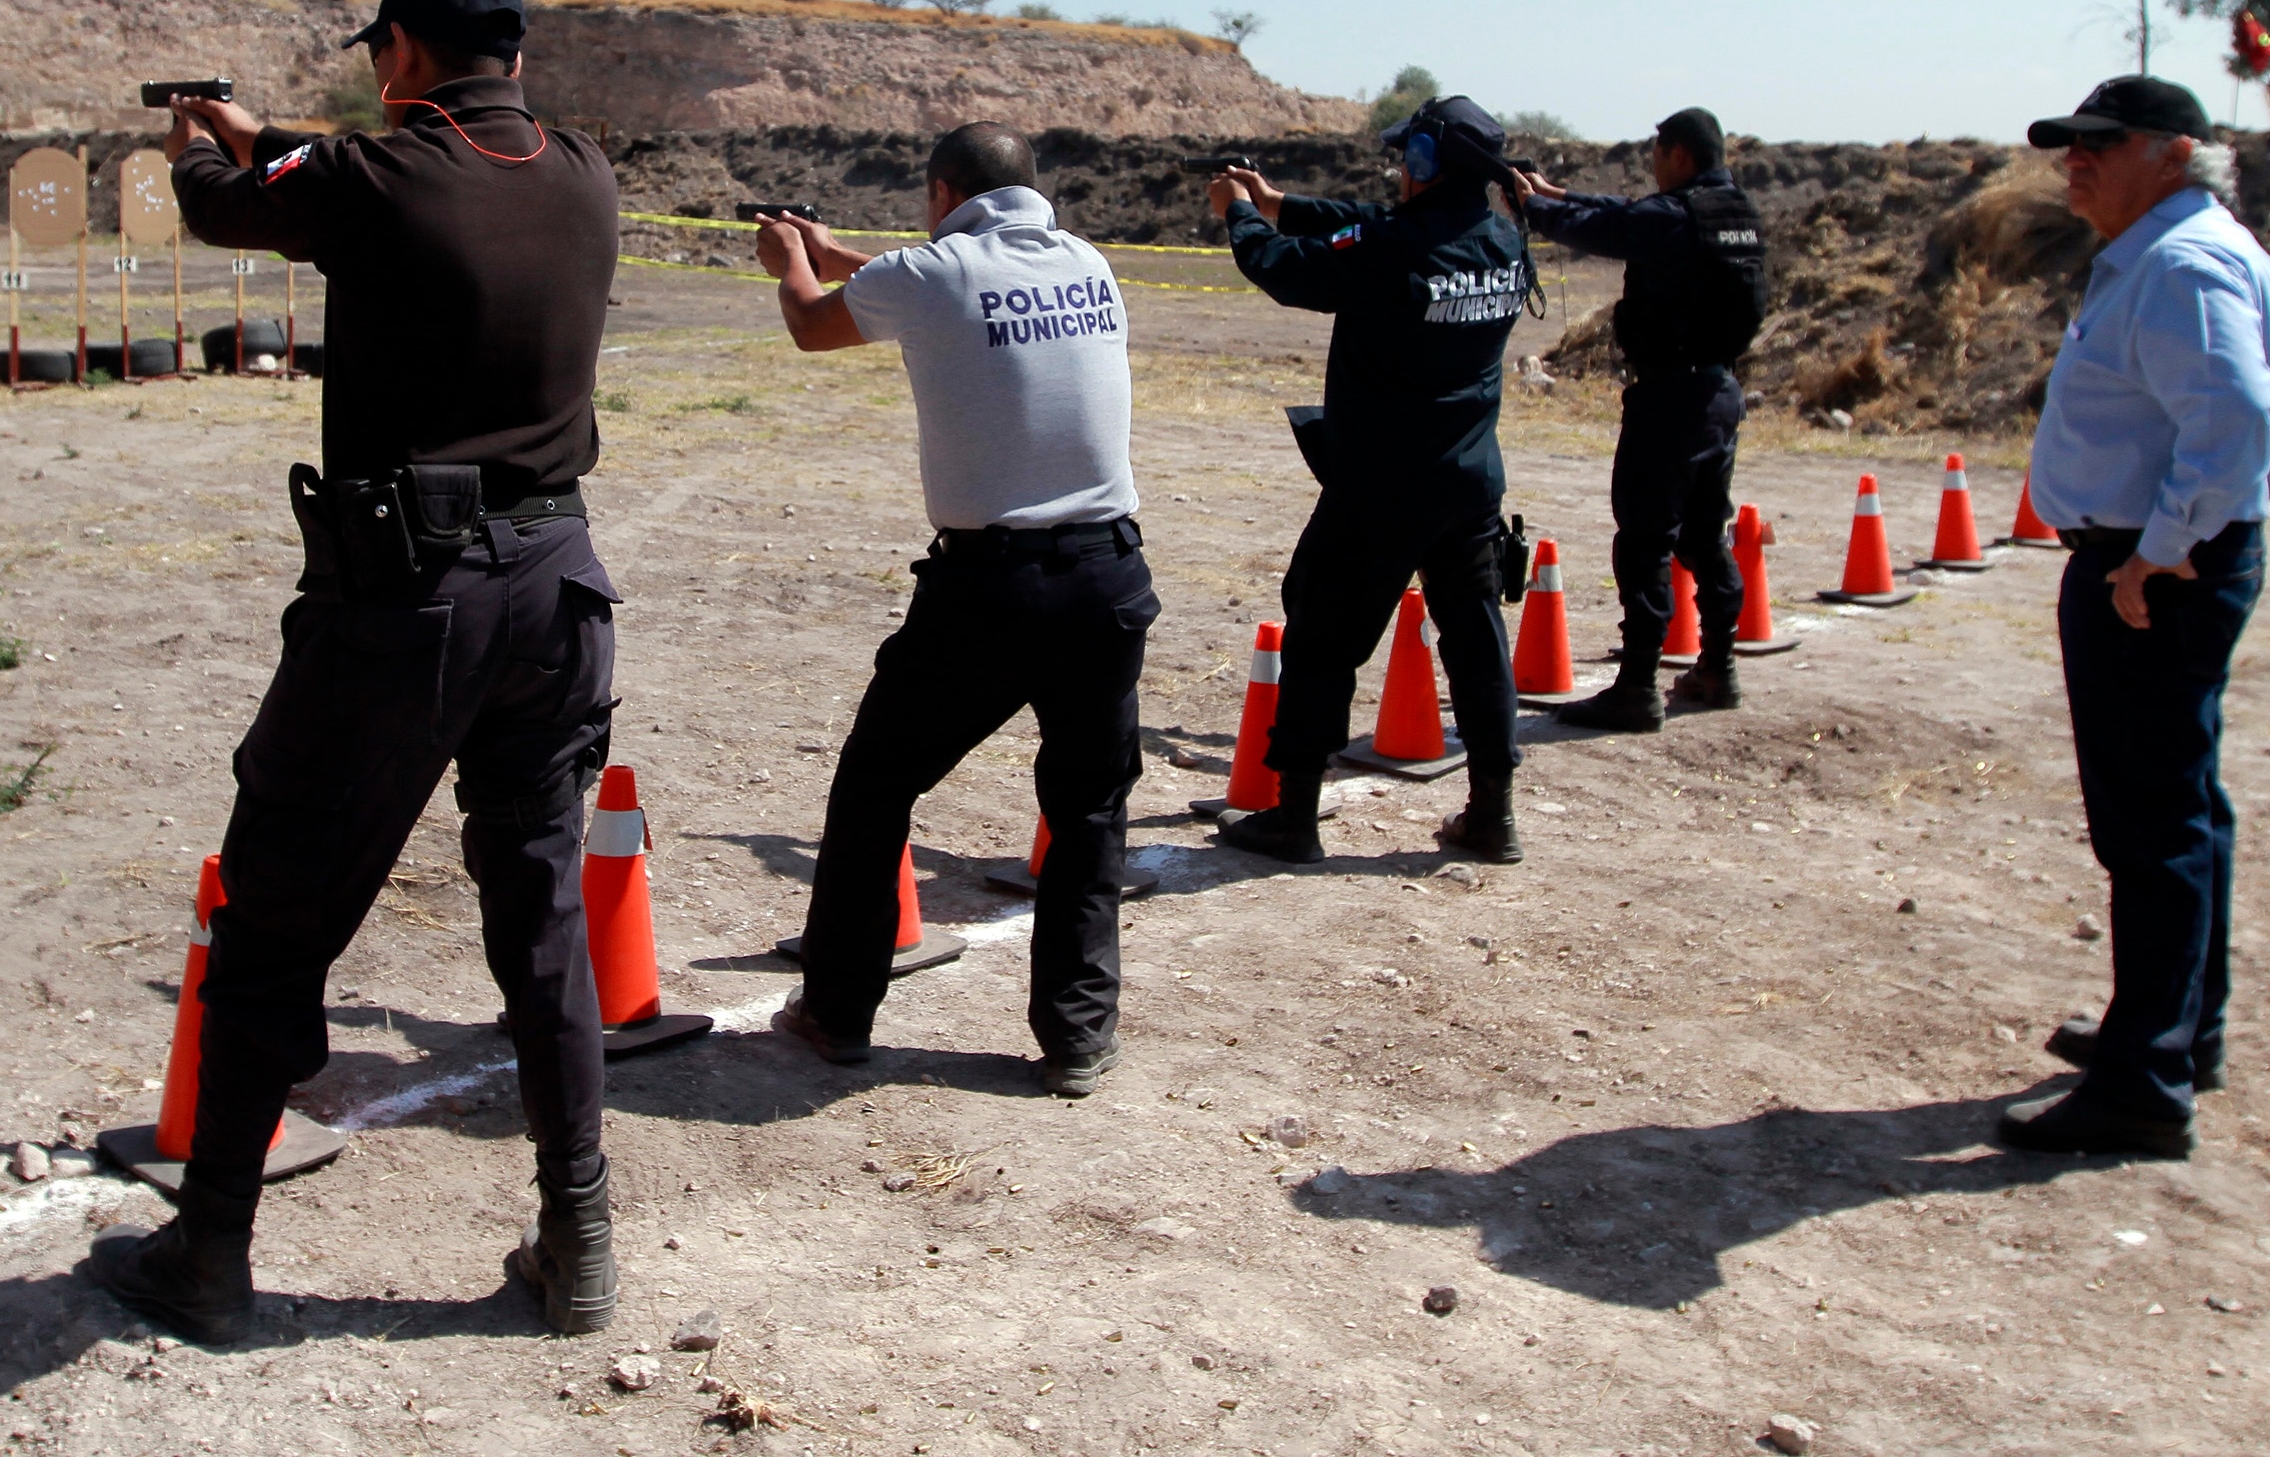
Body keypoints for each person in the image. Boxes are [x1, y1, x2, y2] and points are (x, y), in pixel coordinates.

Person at [86, 0, 628, 1340]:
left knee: (276, 910)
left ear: (398, 51)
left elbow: (231, 210)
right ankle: (579, 1238)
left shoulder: (377, 181)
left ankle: (207, 1250)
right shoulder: (579, 171)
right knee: (544, 914)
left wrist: (191, 147)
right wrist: (263, 132)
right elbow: (360, 171)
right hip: (558, 585)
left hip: (413, 599)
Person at [752, 122, 1156, 1099]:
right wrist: (832, 243)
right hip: (1107, 574)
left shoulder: (932, 278)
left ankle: (838, 1012)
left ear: (939, 194)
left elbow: (814, 322)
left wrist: (786, 261)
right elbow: (935, 276)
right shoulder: (1083, 260)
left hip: (991, 587)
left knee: (875, 787)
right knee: (1088, 810)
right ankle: (1077, 1035)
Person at [2004, 74, 2270, 1158]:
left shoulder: (2180, 263)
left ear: (2173, 153)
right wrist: (2219, 522)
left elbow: (2240, 412)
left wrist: (2167, 546)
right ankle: (2178, 1032)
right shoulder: (2190, 252)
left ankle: (2143, 1082)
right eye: (2069, 145)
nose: (2074, 162)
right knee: (2181, 805)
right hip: (2170, 561)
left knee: (2149, 823)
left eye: (2102, 143)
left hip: (2147, 575)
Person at [1206, 97, 1533, 866]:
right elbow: (1368, 224)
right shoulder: (1502, 240)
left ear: (1425, 161)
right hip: (1467, 482)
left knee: (1321, 635)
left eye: (1407, 156)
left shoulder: (1394, 249)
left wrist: (1241, 216)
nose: (1397, 169)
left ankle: (1294, 815)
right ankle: (1494, 809)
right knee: (1477, 639)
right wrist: (1282, 202)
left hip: (1383, 485)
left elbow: (1289, 270)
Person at [1509, 108, 1766, 730]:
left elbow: (1611, 227)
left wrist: (1531, 207)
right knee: (1706, 535)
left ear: (1678, 155)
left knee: (1646, 541)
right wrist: (1554, 191)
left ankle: (1636, 687)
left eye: (1658, 153)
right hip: (1719, 392)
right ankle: (1719, 668)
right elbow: (1624, 210)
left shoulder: (1673, 218)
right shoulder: (1735, 213)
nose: (1653, 165)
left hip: (1670, 399)